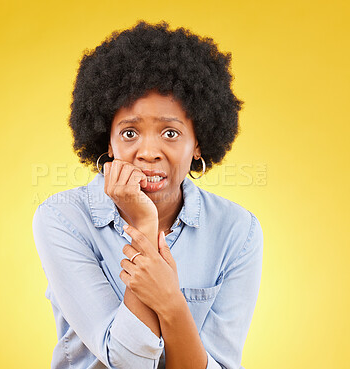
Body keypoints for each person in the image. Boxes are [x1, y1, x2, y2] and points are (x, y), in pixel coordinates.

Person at [32, 20, 263, 369]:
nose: (148, 151)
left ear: (197, 143)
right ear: (107, 141)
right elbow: (124, 360)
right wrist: (145, 224)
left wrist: (169, 301)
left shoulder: (237, 231)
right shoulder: (63, 219)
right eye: (129, 133)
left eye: (170, 133)